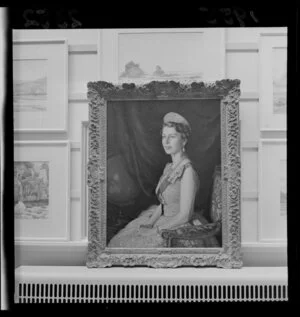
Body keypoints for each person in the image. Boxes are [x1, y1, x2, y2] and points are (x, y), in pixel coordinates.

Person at [108, 112, 217, 248]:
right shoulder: (169, 168)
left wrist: (157, 230)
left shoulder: (188, 172)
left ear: (183, 140)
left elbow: (184, 215)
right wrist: (150, 223)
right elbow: (164, 203)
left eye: (172, 137)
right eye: (164, 137)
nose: (166, 142)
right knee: (120, 242)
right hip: (162, 219)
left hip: (178, 225)